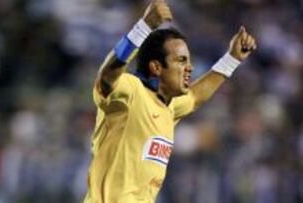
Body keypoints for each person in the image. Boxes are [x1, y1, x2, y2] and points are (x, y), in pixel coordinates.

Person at [84, 0, 257, 202]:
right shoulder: (131, 92)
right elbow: (106, 77)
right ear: (156, 67)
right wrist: (143, 27)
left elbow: (195, 96)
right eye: (181, 60)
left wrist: (231, 59)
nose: (190, 68)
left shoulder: (169, 107)